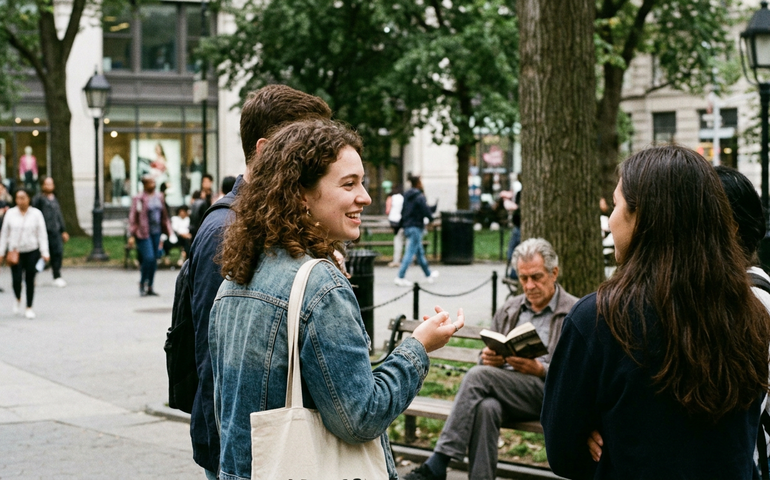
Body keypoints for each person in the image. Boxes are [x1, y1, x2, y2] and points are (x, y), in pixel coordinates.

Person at [210, 118, 464, 480]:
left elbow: (227, 412)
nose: (366, 197)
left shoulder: (236, 278)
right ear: (300, 193)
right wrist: (418, 348)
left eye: (363, 182)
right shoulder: (319, 285)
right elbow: (360, 418)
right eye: (349, 184)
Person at [542, 146, 770, 479]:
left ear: (644, 218)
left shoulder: (598, 320)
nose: (610, 220)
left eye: (617, 204)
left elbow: (563, 452)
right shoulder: (749, 313)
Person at [187, 84, 335, 480]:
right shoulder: (228, 228)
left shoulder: (269, 221)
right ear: (267, 149)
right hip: (245, 452)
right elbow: (218, 359)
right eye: (306, 150)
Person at [404, 238, 578, 480]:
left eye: (536, 277)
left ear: (554, 273)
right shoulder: (510, 307)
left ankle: (439, 461)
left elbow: (577, 374)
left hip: (547, 395)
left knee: (478, 376)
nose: (529, 285)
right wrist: (487, 359)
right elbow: (485, 356)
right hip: (504, 390)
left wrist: (540, 369)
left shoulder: (573, 312)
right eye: (523, 278)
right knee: (486, 407)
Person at [0, 188, 49, 319]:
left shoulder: (36, 214)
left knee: (30, 279)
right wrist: (1, 251)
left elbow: (42, 234)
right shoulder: (10, 213)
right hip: (15, 251)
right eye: (17, 198)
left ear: (29, 198)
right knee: (16, 280)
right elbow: (4, 234)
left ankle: (29, 306)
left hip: (31, 250)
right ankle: (18, 298)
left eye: (23, 198)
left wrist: (45, 252)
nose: (20, 201)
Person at [128, 175, 171, 296]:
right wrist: (131, 234)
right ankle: (142, 282)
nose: (153, 184)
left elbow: (164, 215)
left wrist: (168, 230)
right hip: (143, 233)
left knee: (155, 259)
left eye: (154, 181)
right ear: (145, 184)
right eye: (150, 182)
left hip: (156, 232)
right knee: (148, 258)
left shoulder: (159, 197)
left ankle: (150, 285)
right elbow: (133, 217)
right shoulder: (139, 198)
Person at [395, 175, 438, 286]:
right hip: (416, 227)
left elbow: (404, 211)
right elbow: (425, 210)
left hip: (408, 226)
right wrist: (431, 218)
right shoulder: (419, 196)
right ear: (418, 183)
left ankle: (428, 274)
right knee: (410, 253)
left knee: (419, 253)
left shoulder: (407, 195)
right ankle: (400, 276)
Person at [32, 177, 69, 287]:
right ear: (42, 185)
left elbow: (59, 215)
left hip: (55, 231)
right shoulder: (38, 199)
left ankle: (56, 276)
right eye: (47, 184)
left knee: (57, 253)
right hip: (43, 231)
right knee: (40, 255)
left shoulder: (54, 198)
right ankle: (31, 275)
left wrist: (63, 230)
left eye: (51, 184)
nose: (49, 186)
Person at [386, 186, 404, 268]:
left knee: (397, 240)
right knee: (401, 240)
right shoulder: (402, 198)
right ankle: (405, 260)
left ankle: (396, 260)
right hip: (401, 221)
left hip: (393, 220)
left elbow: (387, 210)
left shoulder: (391, 198)